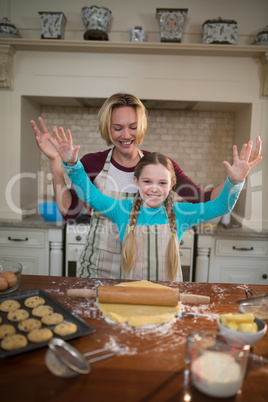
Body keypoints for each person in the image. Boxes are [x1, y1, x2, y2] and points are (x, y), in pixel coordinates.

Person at [30, 93, 262, 278]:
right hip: (99, 268)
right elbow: (70, 212)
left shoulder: (159, 165)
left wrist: (236, 178)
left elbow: (205, 200)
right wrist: (57, 162)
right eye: (117, 127)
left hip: (151, 276)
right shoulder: (94, 163)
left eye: (132, 126)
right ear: (107, 128)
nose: (125, 134)